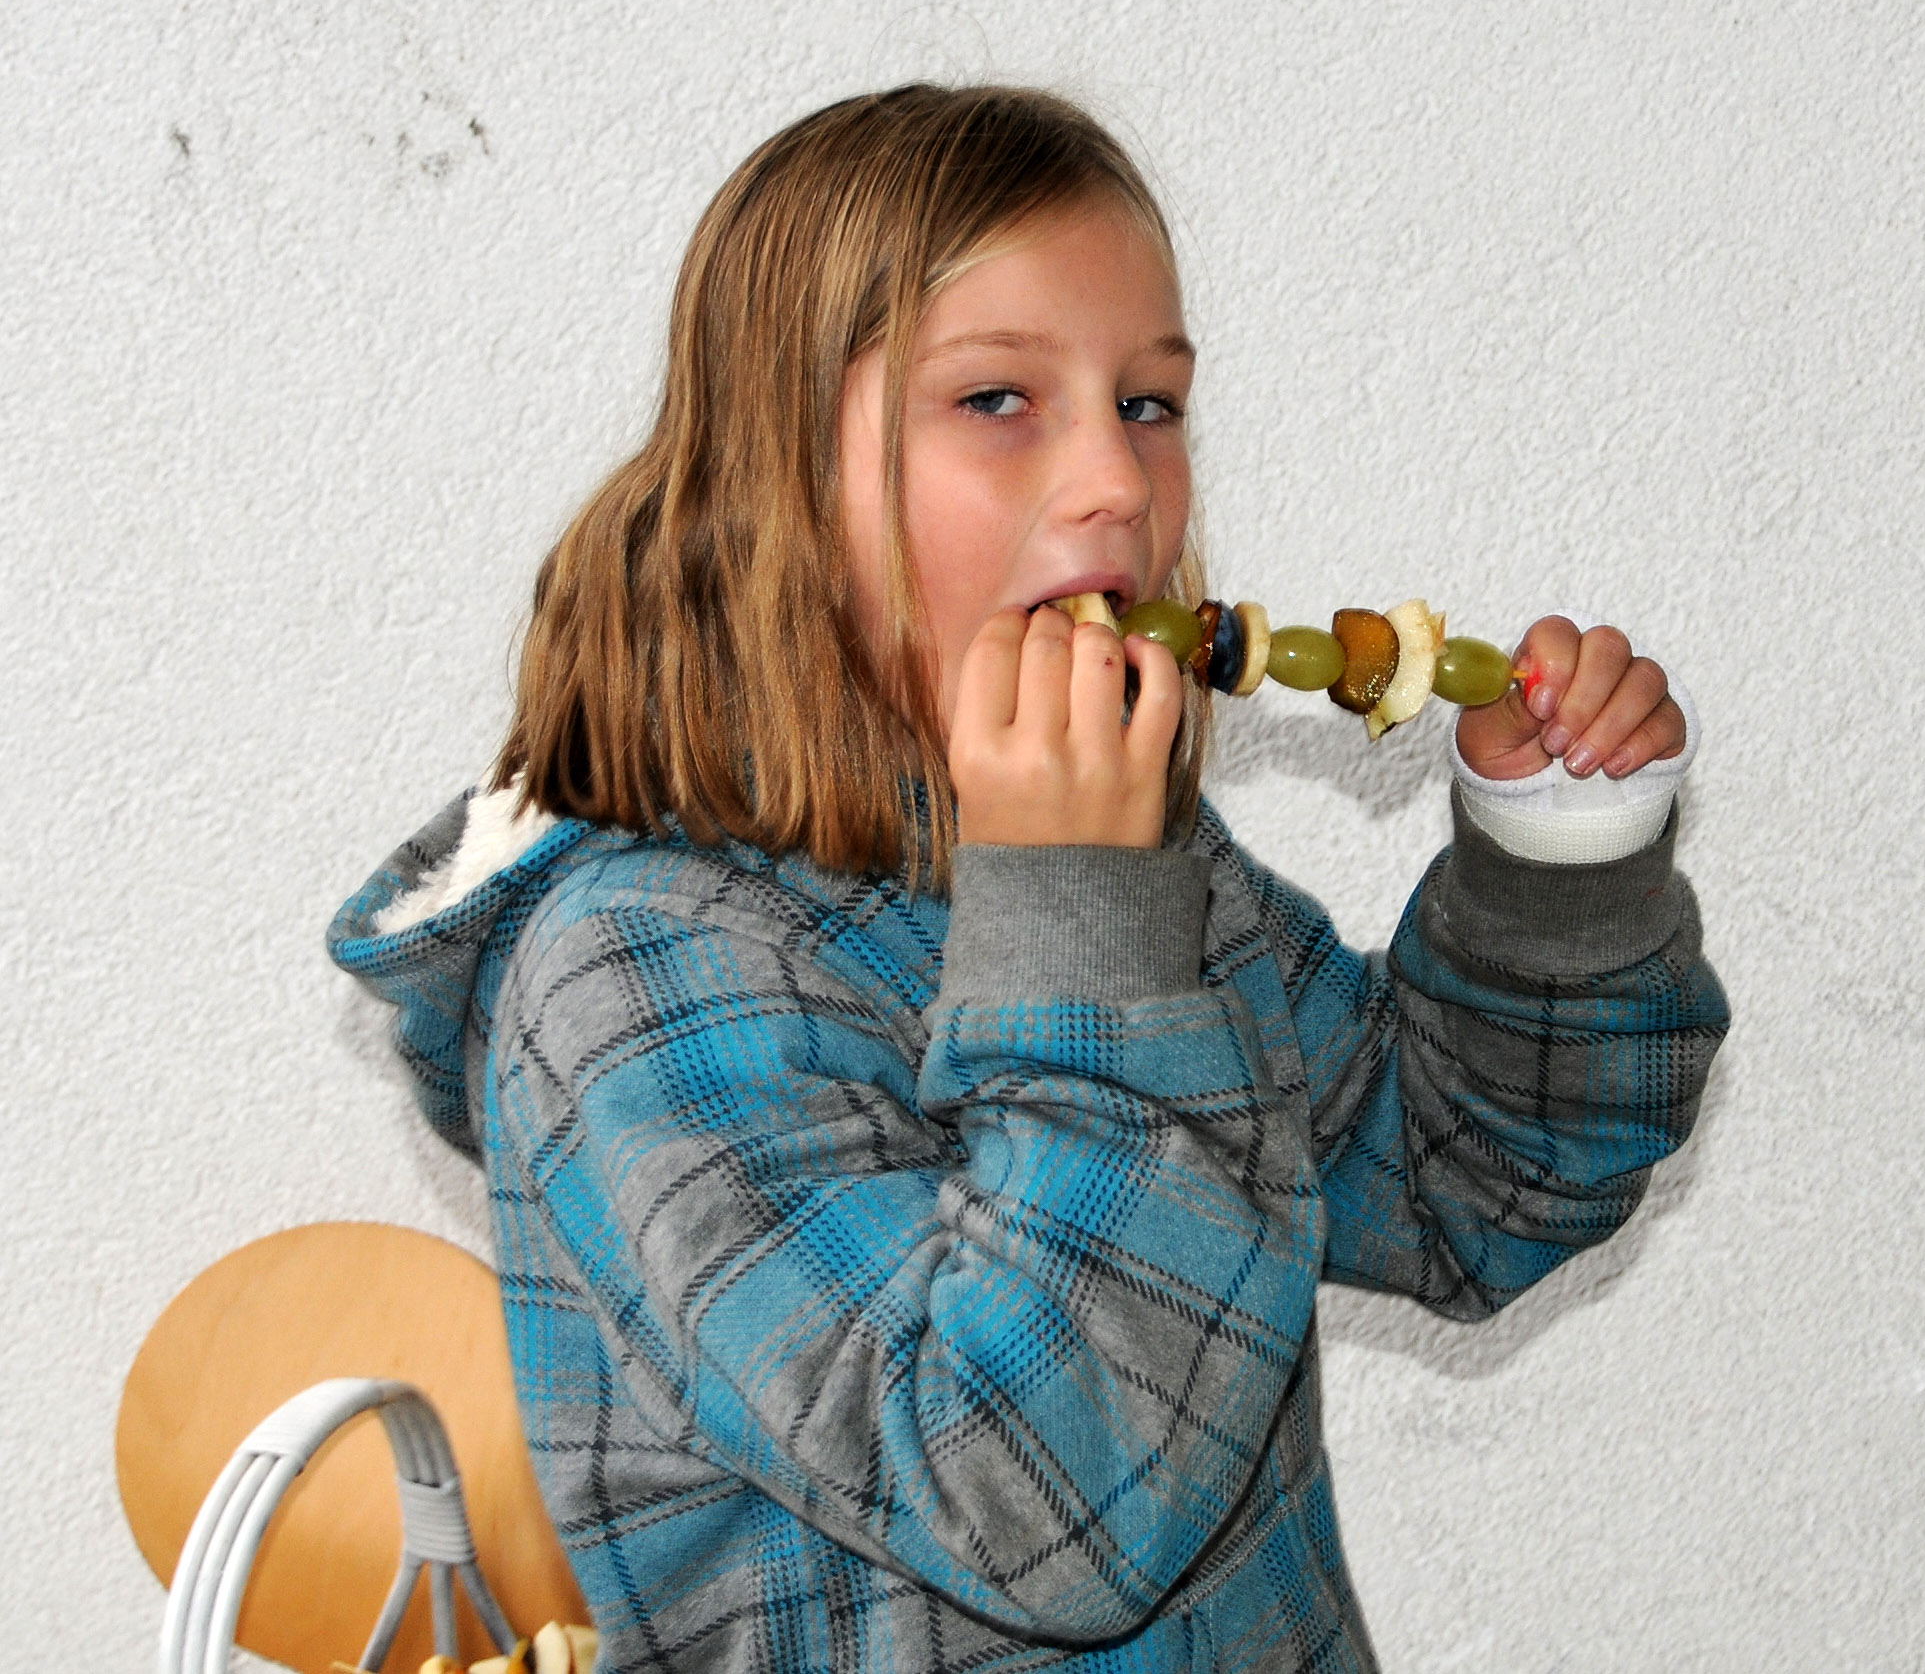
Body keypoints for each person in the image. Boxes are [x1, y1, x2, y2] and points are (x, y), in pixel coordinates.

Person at [329, 83, 1729, 1674]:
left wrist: (1553, 854)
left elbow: (1465, 1191)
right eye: (998, 398)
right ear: (774, 478)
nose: (1118, 480)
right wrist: (1083, 921)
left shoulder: (1130, 858)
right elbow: (1043, 1506)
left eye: (1150, 402)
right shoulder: (635, 973)